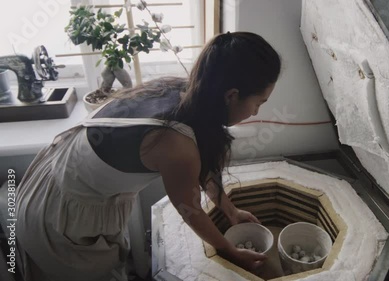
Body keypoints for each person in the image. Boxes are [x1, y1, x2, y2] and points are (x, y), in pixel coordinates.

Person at [15, 31, 281, 281]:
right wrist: (229, 250)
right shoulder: (176, 144)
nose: (256, 112)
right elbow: (191, 211)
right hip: (61, 208)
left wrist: (231, 211)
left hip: (60, 171)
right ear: (232, 95)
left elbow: (206, 169)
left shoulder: (186, 89)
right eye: (259, 102)